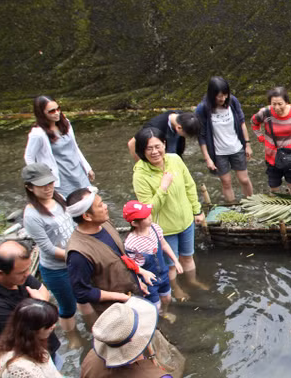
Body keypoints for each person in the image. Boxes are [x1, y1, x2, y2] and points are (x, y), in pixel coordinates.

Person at [132, 128, 206, 299]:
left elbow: (189, 185)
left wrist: (197, 210)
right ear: (142, 151)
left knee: (187, 256)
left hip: (186, 220)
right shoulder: (140, 174)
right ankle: (176, 289)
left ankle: (192, 281)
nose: (154, 152)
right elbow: (147, 210)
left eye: (157, 146)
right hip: (164, 229)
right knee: (171, 265)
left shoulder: (175, 159)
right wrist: (163, 187)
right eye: (149, 148)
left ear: (164, 144)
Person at [65, 187, 154, 320]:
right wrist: (121, 297)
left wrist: (137, 279)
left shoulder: (105, 223)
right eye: (100, 205)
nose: (106, 206)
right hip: (115, 310)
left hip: (132, 293)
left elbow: (120, 256)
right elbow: (82, 292)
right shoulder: (78, 253)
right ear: (87, 216)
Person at [21, 164, 81, 341]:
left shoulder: (60, 198)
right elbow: (47, 247)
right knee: (68, 306)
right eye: (41, 185)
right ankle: (72, 338)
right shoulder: (32, 215)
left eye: (50, 183)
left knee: (84, 296)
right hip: (56, 269)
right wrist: (76, 254)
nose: (48, 188)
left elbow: (73, 225)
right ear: (29, 187)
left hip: (74, 259)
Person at [0, 241, 59, 359]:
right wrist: (42, 305)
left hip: (46, 345)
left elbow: (42, 290)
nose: (28, 274)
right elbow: (19, 338)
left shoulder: (17, 273)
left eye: (28, 269)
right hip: (29, 357)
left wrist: (41, 306)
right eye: (23, 272)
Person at [24, 96, 94, 200]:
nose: (57, 113)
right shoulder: (38, 134)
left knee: (88, 199)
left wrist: (87, 167)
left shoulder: (65, 124)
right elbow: (29, 157)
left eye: (58, 109)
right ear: (42, 113)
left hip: (77, 171)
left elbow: (75, 147)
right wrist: (40, 179)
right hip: (61, 177)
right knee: (68, 204)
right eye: (51, 111)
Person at [196, 77, 254, 203]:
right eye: (219, 96)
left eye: (225, 95)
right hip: (218, 153)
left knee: (244, 179)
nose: (223, 99)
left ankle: (251, 205)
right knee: (226, 182)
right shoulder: (203, 109)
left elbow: (242, 123)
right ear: (212, 95)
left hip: (236, 147)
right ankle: (232, 207)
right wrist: (208, 159)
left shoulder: (232, 101)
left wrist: (247, 144)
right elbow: (202, 136)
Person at [251, 86, 291, 195]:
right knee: (274, 187)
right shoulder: (265, 113)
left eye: (280, 104)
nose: (276, 107)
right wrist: (260, 136)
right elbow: (254, 122)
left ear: (287, 102)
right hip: (272, 156)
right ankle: (276, 209)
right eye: (273, 104)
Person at [123, 201, 181, 312]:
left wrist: (176, 261)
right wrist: (140, 281)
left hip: (163, 273)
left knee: (167, 298)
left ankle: (165, 312)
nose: (150, 217)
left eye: (149, 213)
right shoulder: (131, 243)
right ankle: (157, 319)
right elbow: (130, 264)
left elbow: (164, 244)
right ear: (135, 223)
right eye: (145, 216)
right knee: (155, 306)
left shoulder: (155, 228)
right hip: (148, 279)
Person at [127, 111, 202, 159]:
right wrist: (141, 165)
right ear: (179, 128)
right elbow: (131, 144)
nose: (186, 137)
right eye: (186, 135)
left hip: (174, 158)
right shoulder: (155, 126)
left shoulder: (182, 117)